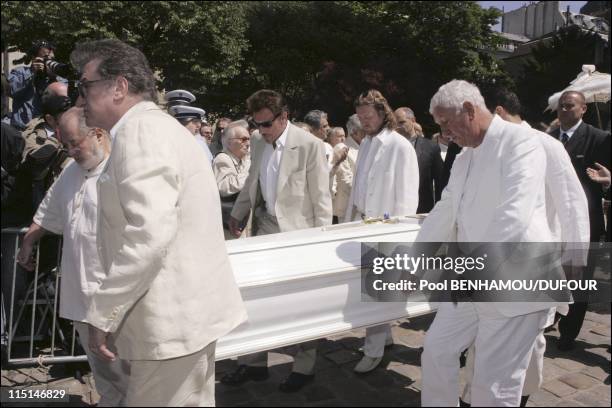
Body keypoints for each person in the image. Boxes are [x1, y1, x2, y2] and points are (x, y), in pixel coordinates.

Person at [70, 38, 247, 406]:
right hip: (183, 318)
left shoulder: (140, 132)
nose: (80, 97)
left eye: (84, 85)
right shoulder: (155, 128)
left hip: (171, 322)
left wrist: (103, 313)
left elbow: (149, 233)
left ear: (118, 87)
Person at [418, 80, 557, 407]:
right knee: (437, 350)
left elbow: (513, 215)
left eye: (446, 123)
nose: (445, 133)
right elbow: (446, 207)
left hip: (518, 282)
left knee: (493, 384)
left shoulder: (522, 142)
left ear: (468, 110)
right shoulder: (465, 157)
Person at [458, 88, 590, 407]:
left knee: (514, 347)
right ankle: (495, 395)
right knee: (501, 346)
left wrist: (574, 263)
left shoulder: (547, 145)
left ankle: (506, 397)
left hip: (531, 266)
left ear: (499, 112)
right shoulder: (480, 150)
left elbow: (572, 205)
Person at [17, 107, 130, 406]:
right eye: (65, 144)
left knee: (127, 369)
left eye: (73, 143)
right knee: (101, 369)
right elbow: (49, 211)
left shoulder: (123, 170)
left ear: (97, 133)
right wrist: (29, 241)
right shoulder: (70, 172)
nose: (70, 150)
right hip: (81, 296)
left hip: (117, 297)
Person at [223, 89, 332, 392]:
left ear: (284, 117)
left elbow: (322, 199)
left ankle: (304, 368)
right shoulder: (258, 142)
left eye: (266, 124)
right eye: (256, 124)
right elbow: (252, 181)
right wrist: (239, 212)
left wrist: (319, 244)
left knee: (303, 305)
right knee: (256, 300)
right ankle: (254, 364)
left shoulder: (310, 145)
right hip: (264, 227)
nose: (261, 131)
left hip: (299, 237)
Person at [346, 90, 419, 374]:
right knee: (374, 289)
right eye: (361, 117)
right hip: (362, 223)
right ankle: (384, 337)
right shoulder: (366, 143)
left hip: (387, 227)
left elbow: (408, 194)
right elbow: (359, 186)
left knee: (376, 291)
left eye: (369, 116)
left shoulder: (399, 146)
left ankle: (374, 350)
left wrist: (400, 232)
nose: (364, 121)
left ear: (382, 113)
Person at [549, 90, 611, 351]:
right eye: (561, 106)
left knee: (579, 280)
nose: (564, 110)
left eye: (570, 106)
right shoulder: (548, 139)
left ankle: (568, 332)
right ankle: (549, 318)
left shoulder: (600, 139)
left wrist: (606, 184)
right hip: (553, 222)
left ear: (583, 109)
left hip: (586, 222)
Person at [396, 107, 444, 213]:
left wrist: (439, 211)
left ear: (413, 120)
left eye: (401, 122)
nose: (398, 127)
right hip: (396, 210)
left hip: (423, 211)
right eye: (395, 124)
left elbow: (440, 182)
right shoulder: (390, 148)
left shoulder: (431, 147)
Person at [8, 40, 65, 130]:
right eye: (45, 58)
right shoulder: (20, 72)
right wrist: (31, 73)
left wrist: (53, 78)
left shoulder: (57, 78)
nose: (49, 61)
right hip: (21, 129)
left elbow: (65, 99)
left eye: (52, 59)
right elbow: (12, 91)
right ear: (34, 58)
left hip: (47, 132)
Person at [212, 120, 251, 239]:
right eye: (243, 139)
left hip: (242, 221)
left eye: (249, 139)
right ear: (229, 143)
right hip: (229, 223)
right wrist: (251, 171)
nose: (248, 143)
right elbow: (223, 187)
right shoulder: (222, 159)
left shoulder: (244, 159)